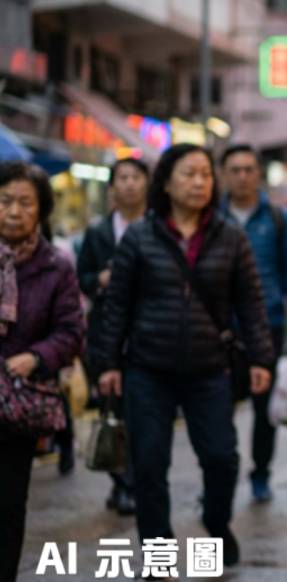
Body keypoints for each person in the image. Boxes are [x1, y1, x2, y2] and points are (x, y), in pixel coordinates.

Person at [90, 143, 274, 568]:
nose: (199, 182)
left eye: (206, 175)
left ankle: (216, 520)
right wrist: (108, 365)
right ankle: (159, 558)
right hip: (147, 369)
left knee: (221, 457)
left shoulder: (231, 237)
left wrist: (262, 359)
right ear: (168, 183)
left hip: (209, 368)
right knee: (150, 465)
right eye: (189, 174)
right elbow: (116, 304)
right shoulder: (140, 236)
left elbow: (250, 303)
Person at [0, 162, 84, 582]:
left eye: (25, 203)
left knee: (9, 504)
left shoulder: (56, 266)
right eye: (5, 201)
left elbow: (71, 330)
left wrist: (36, 356)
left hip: (18, 404)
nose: (14, 211)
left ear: (41, 210)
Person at [219, 144, 287, 503]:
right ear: (224, 175)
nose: (242, 176)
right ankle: (220, 479)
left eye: (248, 169)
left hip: (266, 325)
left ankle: (261, 473)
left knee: (264, 410)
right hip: (220, 329)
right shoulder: (214, 216)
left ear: (258, 174)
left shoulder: (277, 217)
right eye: (235, 170)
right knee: (217, 410)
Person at [76, 157, 149, 516]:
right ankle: (123, 484)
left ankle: (133, 483)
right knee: (113, 411)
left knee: (142, 414)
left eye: (137, 177)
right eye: (123, 178)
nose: (130, 184)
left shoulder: (157, 228)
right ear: (112, 188)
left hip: (149, 335)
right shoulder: (98, 232)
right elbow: (81, 280)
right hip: (107, 332)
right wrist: (101, 280)